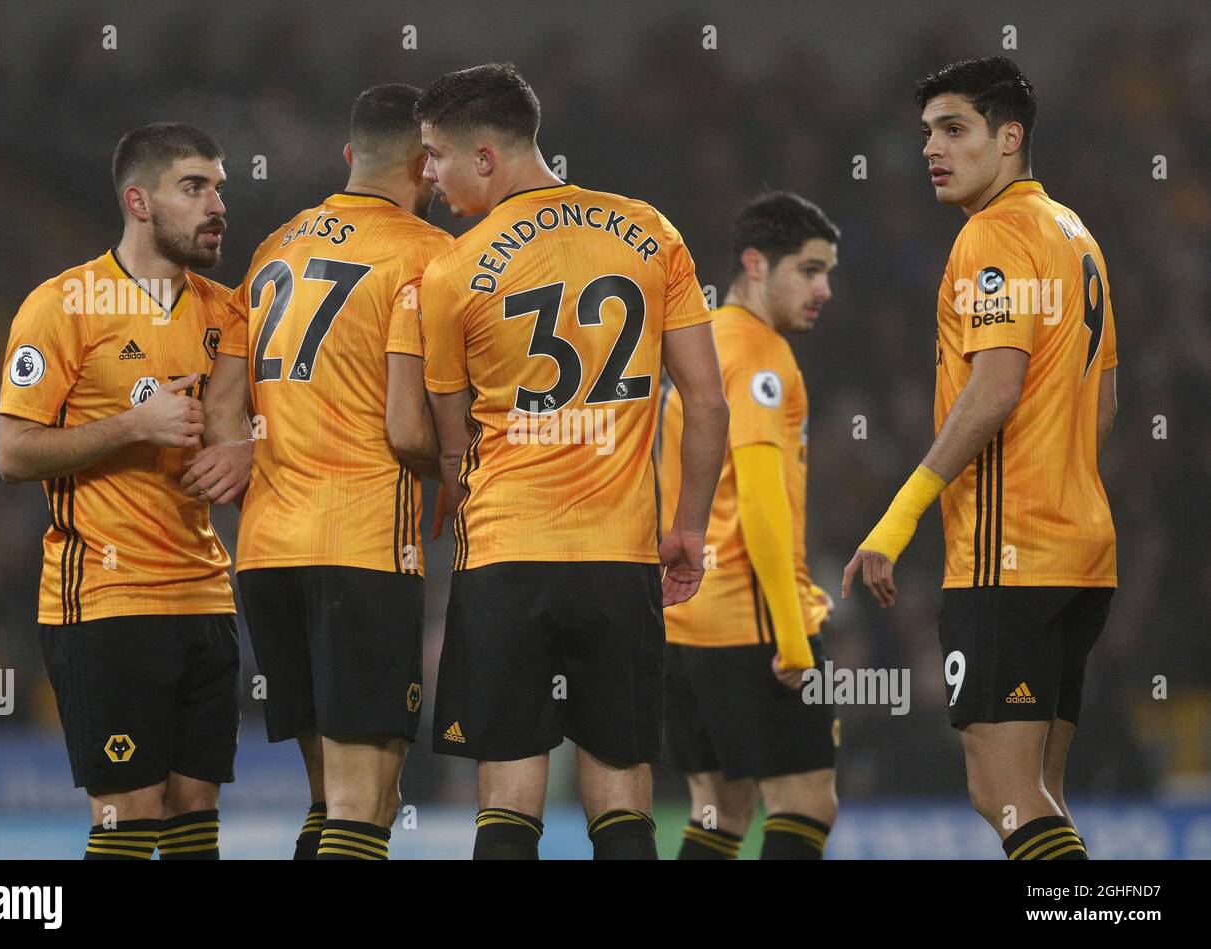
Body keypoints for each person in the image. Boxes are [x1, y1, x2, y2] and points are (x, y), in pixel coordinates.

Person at [410, 62, 729, 860]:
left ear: (485, 157)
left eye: (437, 157)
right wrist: (687, 526)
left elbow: (455, 447)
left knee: (508, 807)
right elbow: (709, 403)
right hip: (618, 561)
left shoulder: (451, 269)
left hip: (506, 560)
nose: (428, 176)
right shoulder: (652, 232)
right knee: (622, 803)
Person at [842, 57, 1118, 861]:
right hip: (1082, 554)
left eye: (954, 129)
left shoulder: (990, 236)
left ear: (1009, 137)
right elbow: (1104, 403)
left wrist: (896, 518)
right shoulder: (1076, 234)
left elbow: (995, 390)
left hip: (1010, 558)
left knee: (1000, 791)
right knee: (1039, 791)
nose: (932, 147)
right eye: (927, 131)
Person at [193, 84, 451, 861]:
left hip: (269, 552)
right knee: (365, 804)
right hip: (363, 548)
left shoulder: (275, 246)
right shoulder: (427, 256)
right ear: (424, 166)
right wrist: (467, 469)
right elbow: (413, 423)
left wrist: (250, 455)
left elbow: (219, 408)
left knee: (330, 799)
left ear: (349, 157)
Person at [0, 122, 241, 859]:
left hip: (204, 594)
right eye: (194, 187)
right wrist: (134, 423)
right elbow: (13, 452)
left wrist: (245, 454)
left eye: (220, 187)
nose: (216, 205)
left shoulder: (227, 311)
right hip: (105, 598)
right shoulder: (62, 304)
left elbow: (246, 427)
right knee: (130, 818)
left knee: (195, 820)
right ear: (139, 200)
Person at [659, 191, 840, 859]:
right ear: (756, 263)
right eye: (810, 269)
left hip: (684, 623)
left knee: (720, 809)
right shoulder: (761, 354)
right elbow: (762, 499)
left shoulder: (700, 340)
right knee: (806, 802)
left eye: (829, 273)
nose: (824, 289)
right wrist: (793, 639)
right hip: (752, 620)